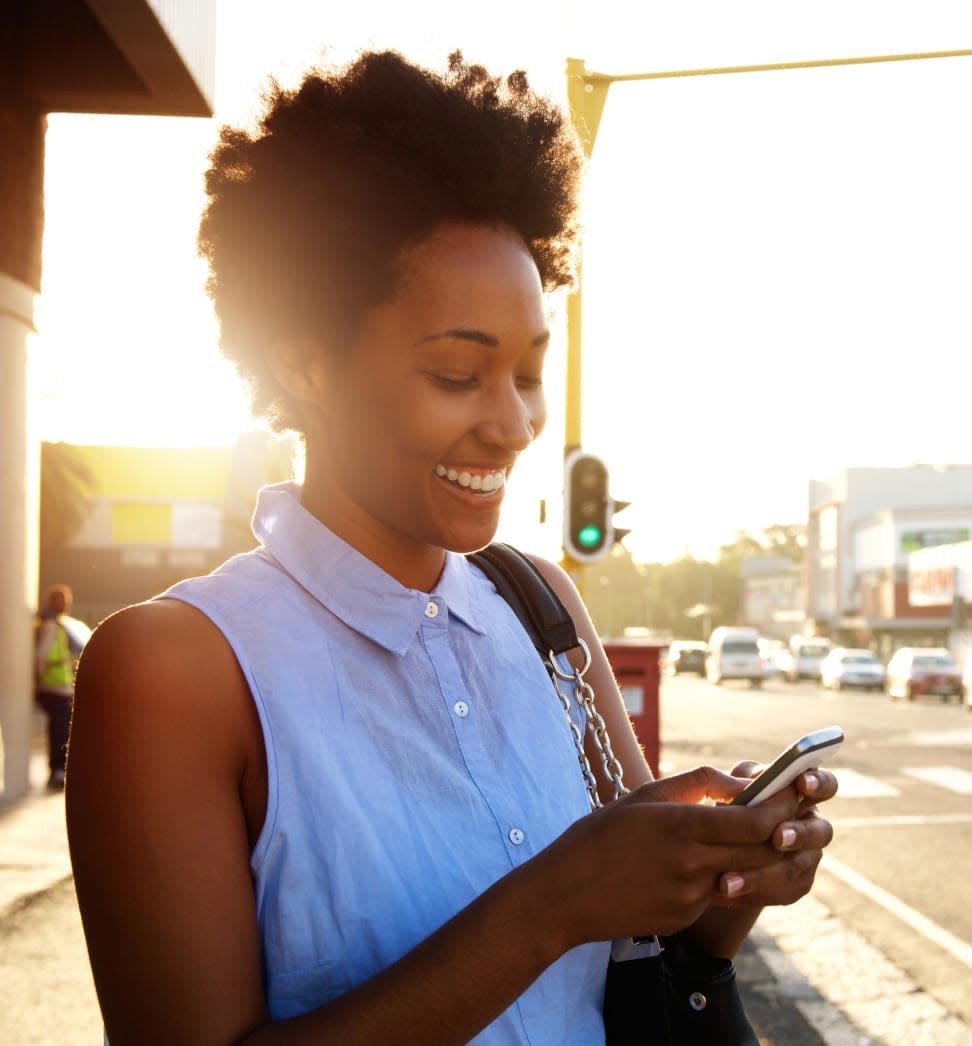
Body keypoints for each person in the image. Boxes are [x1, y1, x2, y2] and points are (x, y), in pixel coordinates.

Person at [66, 49, 838, 1045]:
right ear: (305, 363)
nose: (514, 424)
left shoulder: (541, 606)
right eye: (458, 373)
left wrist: (727, 873)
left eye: (526, 372)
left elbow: (646, 945)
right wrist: (551, 900)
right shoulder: (176, 670)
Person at [34, 583, 91, 790]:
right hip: (54, 686)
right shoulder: (51, 626)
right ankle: (58, 771)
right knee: (60, 730)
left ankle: (58, 770)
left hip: (57, 685)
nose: (65, 605)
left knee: (59, 729)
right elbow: (41, 657)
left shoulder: (56, 625)